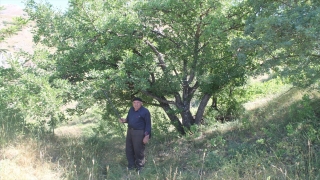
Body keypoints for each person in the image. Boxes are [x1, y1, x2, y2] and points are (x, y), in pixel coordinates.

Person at [119, 97, 151, 172]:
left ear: (141, 103)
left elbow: (148, 124)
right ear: (132, 103)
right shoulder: (131, 110)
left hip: (139, 132)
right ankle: (131, 166)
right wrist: (124, 120)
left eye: (138, 102)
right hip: (130, 131)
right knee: (129, 149)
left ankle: (140, 167)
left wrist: (147, 136)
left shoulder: (145, 111)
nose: (136, 104)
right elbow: (128, 119)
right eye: (134, 102)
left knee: (138, 150)